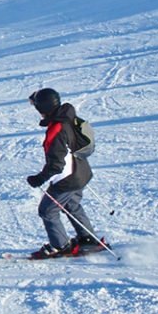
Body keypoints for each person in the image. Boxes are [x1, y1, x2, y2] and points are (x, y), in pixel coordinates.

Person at [25, 87, 101, 258]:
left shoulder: (56, 129)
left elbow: (56, 165)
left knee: (47, 211)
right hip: (81, 172)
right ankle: (88, 238)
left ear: (42, 108)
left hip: (67, 178)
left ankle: (60, 245)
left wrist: (39, 178)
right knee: (72, 205)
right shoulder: (67, 117)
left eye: (36, 106)